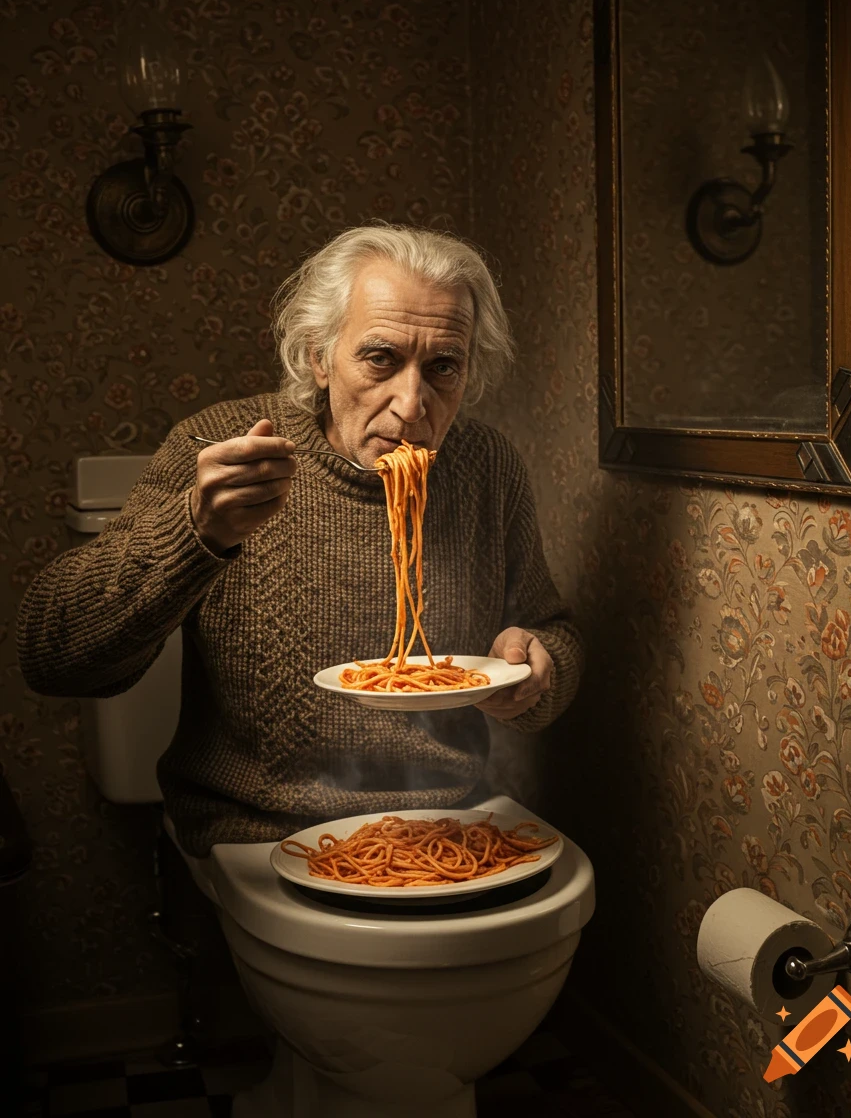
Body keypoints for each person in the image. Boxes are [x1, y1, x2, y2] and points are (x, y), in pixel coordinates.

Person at [17, 225, 583, 858]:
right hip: (255, 837)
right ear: (319, 356)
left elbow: (551, 630)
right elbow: (52, 656)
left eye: (442, 367)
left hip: (444, 826)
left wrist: (537, 669)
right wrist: (196, 531)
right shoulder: (224, 448)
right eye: (381, 358)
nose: (411, 404)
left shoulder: (487, 467)